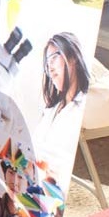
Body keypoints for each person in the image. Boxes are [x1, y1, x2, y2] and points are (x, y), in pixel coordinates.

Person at [32, 32, 90, 187]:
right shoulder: (50, 110)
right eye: (47, 63)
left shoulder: (83, 105)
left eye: (54, 57)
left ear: (73, 57)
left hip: (54, 192)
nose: (49, 68)